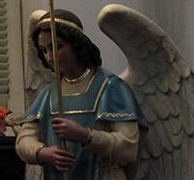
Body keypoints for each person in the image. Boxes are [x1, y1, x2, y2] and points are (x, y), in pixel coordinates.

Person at [16, 10, 145, 180]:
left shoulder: (110, 87)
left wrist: (85, 135)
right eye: (44, 50)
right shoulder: (50, 93)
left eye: (57, 47)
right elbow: (24, 139)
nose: (50, 57)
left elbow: (128, 148)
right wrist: (42, 152)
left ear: (76, 44)